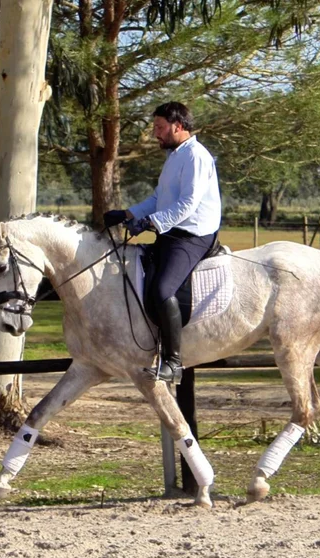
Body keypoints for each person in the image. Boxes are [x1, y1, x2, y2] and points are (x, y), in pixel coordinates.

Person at [103, 102, 222, 384]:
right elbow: (159, 198)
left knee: (161, 289)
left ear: (177, 126)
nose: (155, 133)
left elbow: (188, 204)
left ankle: (173, 362)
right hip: (171, 232)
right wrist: (128, 214)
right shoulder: (175, 156)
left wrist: (151, 223)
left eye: (159, 127)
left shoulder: (196, 156)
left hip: (193, 235)